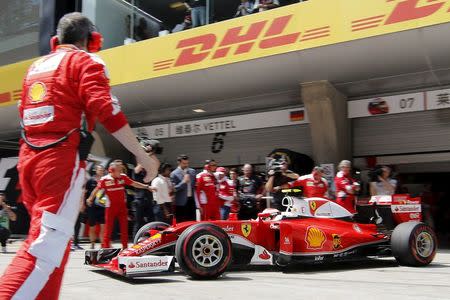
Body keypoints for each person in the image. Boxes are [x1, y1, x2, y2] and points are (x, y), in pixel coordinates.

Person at [0, 12, 159, 300]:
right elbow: (106, 109)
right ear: (91, 40)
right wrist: (143, 156)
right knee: (45, 247)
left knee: (55, 248)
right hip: (59, 162)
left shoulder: (36, 67)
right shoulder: (86, 60)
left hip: (29, 163)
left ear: (56, 40)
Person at [87, 162, 156, 249]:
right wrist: (90, 198)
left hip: (122, 208)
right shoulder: (105, 179)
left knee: (124, 229)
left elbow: (134, 183)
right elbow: (97, 189)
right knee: (108, 230)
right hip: (110, 208)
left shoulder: (123, 177)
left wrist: (147, 187)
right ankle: (105, 249)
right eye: (119, 170)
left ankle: (125, 248)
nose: (121, 172)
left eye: (121, 170)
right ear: (111, 171)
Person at [84, 165, 106, 249]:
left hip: (102, 206)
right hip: (92, 206)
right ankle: (92, 243)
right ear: (96, 171)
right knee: (92, 226)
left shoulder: (105, 180)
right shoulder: (91, 180)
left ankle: (102, 244)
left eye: (102, 170)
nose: (101, 171)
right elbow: (85, 193)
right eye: (99, 170)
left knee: (103, 227)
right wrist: (83, 204)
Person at [171, 155, 197, 222]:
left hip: (191, 200)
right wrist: (183, 182)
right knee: (181, 222)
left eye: (187, 163)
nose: (186, 165)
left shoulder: (192, 171)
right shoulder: (174, 174)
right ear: (179, 162)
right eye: (184, 163)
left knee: (192, 221)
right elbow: (174, 189)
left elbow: (195, 185)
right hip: (180, 203)